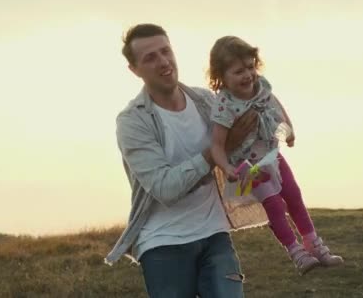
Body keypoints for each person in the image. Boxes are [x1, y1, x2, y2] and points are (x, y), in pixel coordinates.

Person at [105, 23, 263, 298]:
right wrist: (217, 151)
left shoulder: (205, 100)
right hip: (163, 243)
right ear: (134, 70)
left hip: (215, 234)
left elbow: (245, 135)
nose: (163, 61)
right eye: (150, 57)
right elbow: (165, 188)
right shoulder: (132, 121)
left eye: (165, 51)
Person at [208, 36, 344, 276]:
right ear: (221, 76)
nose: (248, 75)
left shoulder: (262, 89)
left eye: (250, 67)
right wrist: (227, 167)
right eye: (238, 71)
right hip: (247, 167)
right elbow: (217, 145)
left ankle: (314, 244)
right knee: (273, 204)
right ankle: (296, 252)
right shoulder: (224, 105)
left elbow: (279, 114)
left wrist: (288, 134)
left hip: (272, 156)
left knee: (294, 196)